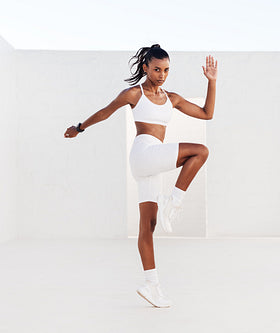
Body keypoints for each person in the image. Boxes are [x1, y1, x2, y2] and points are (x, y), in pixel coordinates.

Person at [64, 44, 217, 308]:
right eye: (156, 69)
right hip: (144, 153)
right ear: (145, 67)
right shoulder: (134, 93)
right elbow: (105, 111)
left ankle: (151, 285)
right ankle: (175, 201)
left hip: (153, 161)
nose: (162, 75)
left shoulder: (173, 98)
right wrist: (80, 127)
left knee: (148, 225)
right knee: (200, 151)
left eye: (166, 70)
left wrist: (212, 82)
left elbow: (207, 114)